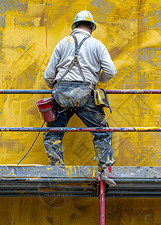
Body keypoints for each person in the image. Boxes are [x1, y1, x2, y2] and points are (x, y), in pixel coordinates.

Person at [43, 10, 117, 186]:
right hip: (86, 93)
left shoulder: (63, 43)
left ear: (75, 25)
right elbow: (111, 71)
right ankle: (104, 170)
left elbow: (48, 75)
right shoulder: (97, 45)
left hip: (60, 94)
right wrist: (97, 80)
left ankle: (56, 168)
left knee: (53, 132)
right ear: (91, 27)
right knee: (102, 132)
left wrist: (56, 87)